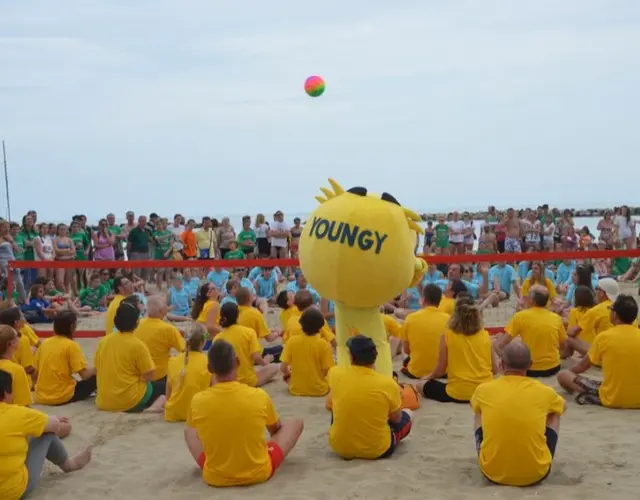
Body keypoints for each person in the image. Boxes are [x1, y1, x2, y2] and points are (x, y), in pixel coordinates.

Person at [184, 340, 303, 486]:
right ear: (237, 363)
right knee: (295, 423)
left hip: (215, 476)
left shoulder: (198, 400)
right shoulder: (258, 395)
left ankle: (216, 464)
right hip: (258, 472)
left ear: (209, 369)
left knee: (189, 430)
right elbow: (275, 430)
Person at [471, 342, 565, 487]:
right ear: (530, 365)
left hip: (492, 472)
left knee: (479, 411)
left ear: (501, 364)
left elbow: (474, 405)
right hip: (536, 473)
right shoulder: (544, 391)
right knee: (554, 412)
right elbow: (563, 406)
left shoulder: (484, 389)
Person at [0, 370, 92, 500]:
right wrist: (49, 419)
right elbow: (53, 425)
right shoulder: (17, 414)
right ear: (6, 392)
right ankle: (69, 465)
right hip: (11, 492)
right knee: (45, 431)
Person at [328, 335, 413, 459]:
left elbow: (331, 404)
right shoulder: (388, 383)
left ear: (351, 357)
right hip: (377, 449)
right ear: (376, 356)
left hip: (340, 447)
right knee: (409, 414)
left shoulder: (335, 373)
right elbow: (396, 419)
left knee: (340, 404)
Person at [557, 294, 640, 408]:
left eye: (610, 309)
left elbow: (582, 366)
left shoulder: (604, 337)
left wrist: (569, 373)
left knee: (563, 375)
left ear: (615, 314)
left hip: (612, 397)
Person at [415, 297, 497, 403]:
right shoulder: (485, 335)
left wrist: (427, 377)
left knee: (419, 385)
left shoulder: (447, 335)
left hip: (458, 393)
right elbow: (495, 370)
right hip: (484, 391)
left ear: (455, 315)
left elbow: (440, 370)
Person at [95, 301, 166, 413]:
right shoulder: (137, 345)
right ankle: (153, 407)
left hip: (103, 400)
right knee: (164, 387)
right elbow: (150, 375)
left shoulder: (104, 341)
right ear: (137, 322)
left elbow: (98, 367)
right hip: (129, 400)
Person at [495, 286, 567, 377]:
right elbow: (564, 346)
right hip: (554, 368)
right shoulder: (556, 318)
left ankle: (509, 368)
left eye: (528, 296)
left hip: (528, 369)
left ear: (532, 301)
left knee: (496, 344)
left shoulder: (520, 317)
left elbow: (500, 345)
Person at [34, 312, 97, 405]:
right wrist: (99, 366)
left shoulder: (45, 343)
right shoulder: (71, 345)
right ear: (72, 327)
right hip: (62, 396)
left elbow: (36, 372)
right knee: (97, 377)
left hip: (41, 396)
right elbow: (85, 375)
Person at [214, 303, 279, 387]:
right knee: (274, 367)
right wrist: (265, 362)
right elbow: (256, 357)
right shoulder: (249, 332)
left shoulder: (217, 338)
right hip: (247, 380)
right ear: (238, 315)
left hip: (226, 381)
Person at [133, 295, 186, 392]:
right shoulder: (168, 329)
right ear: (161, 311)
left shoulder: (138, 324)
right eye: (166, 306)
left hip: (138, 375)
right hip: (159, 376)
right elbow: (185, 350)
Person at [280, 308, 334, 396]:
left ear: (301, 324)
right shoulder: (323, 344)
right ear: (320, 327)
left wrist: (288, 374)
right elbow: (326, 369)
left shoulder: (292, 341)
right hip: (319, 389)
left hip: (295, 389)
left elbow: (282, 368)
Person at [400, 284, 450, 379]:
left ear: (423, 298)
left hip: (417, 372)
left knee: (405, 359)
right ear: (440, 301)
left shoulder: (410, 318)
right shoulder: (449, 319)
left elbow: (406, 350)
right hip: (444, 371)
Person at [165, 324, 212, 422]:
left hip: (173, 413)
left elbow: (168, 392)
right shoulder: (208, 362)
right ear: (203, 342)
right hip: (197, 413)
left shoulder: (173, 361)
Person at [565, 277, 619, 356]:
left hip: (605, 354)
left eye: (597, 288)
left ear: (603, 293)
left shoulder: (596, 310)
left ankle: (564, 355)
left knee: (568, 337)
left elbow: (572, 332)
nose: (595, 291)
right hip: (624, 350)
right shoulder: (624, 306)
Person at [0, 325, 33, 407]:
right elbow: (24, 406)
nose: (19, 338)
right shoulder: (16, 370)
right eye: (17, 336)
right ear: (11, 343)